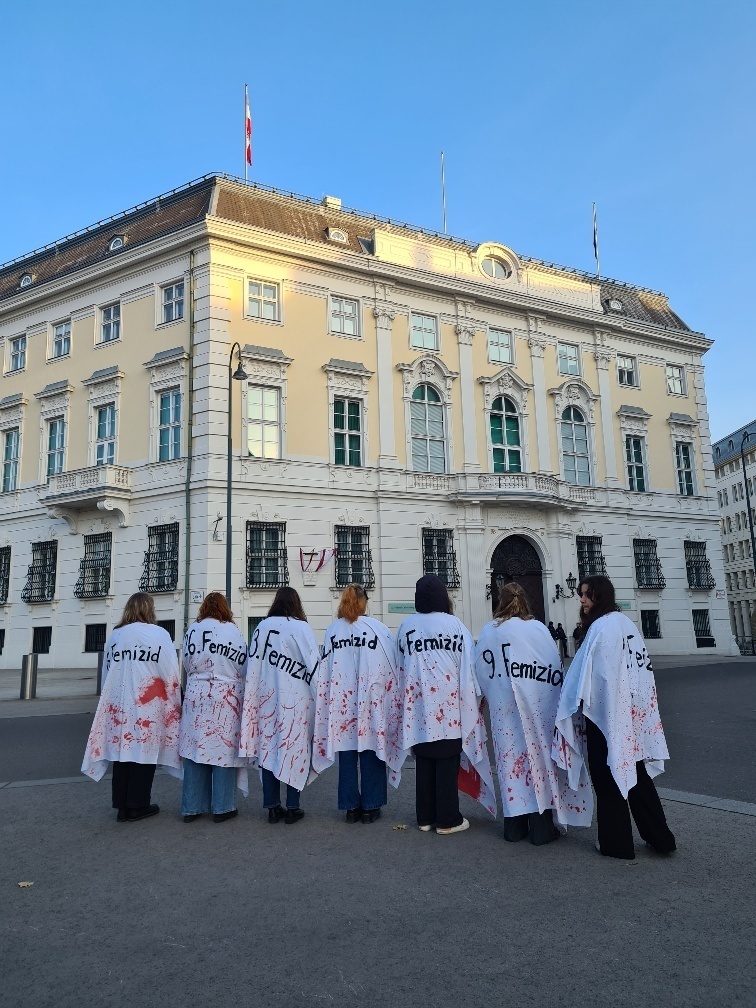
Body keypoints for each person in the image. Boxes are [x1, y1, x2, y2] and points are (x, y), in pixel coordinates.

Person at [553, 575, 676, 860]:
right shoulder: (625, 624)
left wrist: (573, 700)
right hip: (630, 715)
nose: (581, 599)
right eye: (581, 594)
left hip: (605, 716)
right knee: (636, 775)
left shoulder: (601, 628)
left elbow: (591, 674)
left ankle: (616, 844)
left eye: (586, 595)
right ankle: (661, 838)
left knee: (607, 777)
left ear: (600, 597)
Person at [475, 583, 593, 845]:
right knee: (538, 761)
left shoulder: (490, 631)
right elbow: (554, 667)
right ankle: (541, 827)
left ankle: (514, 826)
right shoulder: (539, 629)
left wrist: (492, 695)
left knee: (510, 763)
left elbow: (480, 670)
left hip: (504, 711)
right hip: (538, 709)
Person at [393, 574, 495, 835]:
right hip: (449, 706)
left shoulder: (407, 626)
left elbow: (399, 665)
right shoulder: (455, 625)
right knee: (447, 759)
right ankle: (448, 818)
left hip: (418, 706)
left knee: (424, 759)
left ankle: (425, 817)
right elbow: (469, 667)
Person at [82, 592, 181, 822]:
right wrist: (175, 700)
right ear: (150, 609)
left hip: (119, 702)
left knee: (122, 751)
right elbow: (169, 671)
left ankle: (122, 805)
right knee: (144, 752)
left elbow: (107, 672)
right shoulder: (159, 634)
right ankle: (138, 804)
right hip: (147, 702)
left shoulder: (116, 635)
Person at [313, 584, 401, 824]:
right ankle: (371, 807)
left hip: (342, 702)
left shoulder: (333, 630)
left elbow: (326, 668)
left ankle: (351, 807)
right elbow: (390, 666)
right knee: (371, 749)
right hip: (370, 702)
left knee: (347, 753)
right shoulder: (378, 629)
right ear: (364, 602)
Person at [239, 587, 320, 824]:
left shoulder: (261, 628)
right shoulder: (301, 627)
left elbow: (252, 666)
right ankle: (293, 807)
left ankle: (272, 807)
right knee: (295, 750)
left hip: (266, 699)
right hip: (295, 701)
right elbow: (314, 666)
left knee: (268, 750)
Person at [179, 592, 249, 824]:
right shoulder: (232, 631)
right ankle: (222, 806)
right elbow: (243, 665)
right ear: (225, 608)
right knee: (223, 750)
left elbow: (186, 664)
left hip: (196, 694)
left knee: (195, 750)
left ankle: (192, 807)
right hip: (225, 696)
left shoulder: (192, 631)